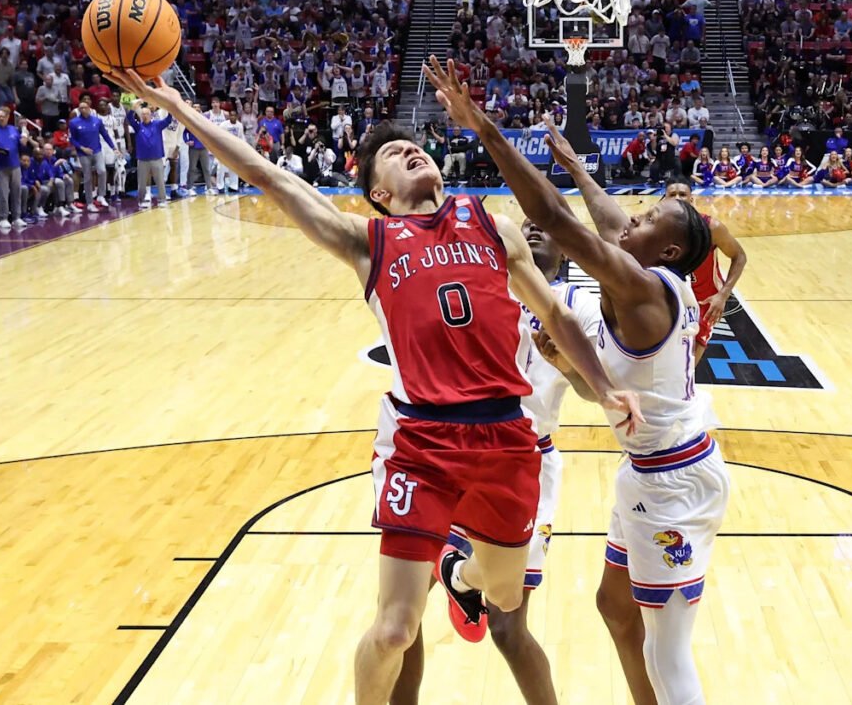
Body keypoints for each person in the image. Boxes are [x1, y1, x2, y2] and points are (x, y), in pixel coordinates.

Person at [104, 67, 640, 705]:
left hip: (506, 439)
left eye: (414, 146)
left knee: (502, 594)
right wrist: (178, 107)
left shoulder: (492, 226)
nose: (411, 150)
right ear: (379, 194)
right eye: (393, 154)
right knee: (394, 630)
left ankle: (460, 574)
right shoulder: (369, 241)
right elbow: (267, 176)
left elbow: (555, 314)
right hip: (423, 443)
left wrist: (604, 386)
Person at [425, 55, 729, 705]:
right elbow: (605, 218)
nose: (630, 221)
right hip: (650, 471)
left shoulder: (641, 290)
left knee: (669, 651)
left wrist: (485, 130)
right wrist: (577, 166)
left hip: (674, 481)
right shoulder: (653, 274)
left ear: (667, 251)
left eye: (646, 221)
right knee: (615, 608)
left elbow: (559, 221)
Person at [393, 219, 603, 705]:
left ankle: (463, 578)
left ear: (566, 251)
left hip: (526, 464)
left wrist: (567, 364)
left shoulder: (577, 305)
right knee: (403, 615)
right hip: (453, 449)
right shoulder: (479, 284)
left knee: (507, 629)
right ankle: (458, 579)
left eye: (545, 227)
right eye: (526, 224)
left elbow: (595, 392)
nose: (533, 229)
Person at [664, 182, 748, 363]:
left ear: (691, 199)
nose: (678, 198)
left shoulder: (711, 227)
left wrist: (722, 295)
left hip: (704, 301)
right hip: (669, 295)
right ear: (664, 200)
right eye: (672, 194)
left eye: (682, 194)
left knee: (688, 366)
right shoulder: (657, 228)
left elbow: (739, 256)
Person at [69, 99, 119, 212]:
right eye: (81, 108)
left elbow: (105, 135)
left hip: (97, 150)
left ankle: (101, 195)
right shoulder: (74, 122)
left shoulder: (97, 121)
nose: (83, 110)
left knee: (102, 171)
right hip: (83, 153)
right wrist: (82, 148)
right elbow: (72, 139)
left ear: (89, 109)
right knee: (87, 177)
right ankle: (90, 203)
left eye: (85, 108)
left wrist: (113, 147)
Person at [126, 100, 173, 208]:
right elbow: (129, 118)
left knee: (160, 181)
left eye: (147, 114)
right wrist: (133, 109)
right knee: (142, 182)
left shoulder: (157, 124)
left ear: (151, 115)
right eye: (143, 114)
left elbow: (168, 120)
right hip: (142, 159)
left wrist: (169, 108)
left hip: (156, 158)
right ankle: (141, 200)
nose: (145, 116)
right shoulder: (138, 126)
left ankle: (162, 200)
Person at [0, 106, 25, 231]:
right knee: (3, 193)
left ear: (8, 117)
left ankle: (16, 217)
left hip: (15, 165)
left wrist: (24, 140)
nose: (1, 119)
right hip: (0, 167)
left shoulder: (14, 130)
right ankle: (3, 218)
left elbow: (21, 146)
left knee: (16, 192)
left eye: (3, 116)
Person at [184, 104, 215, 193]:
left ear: (200, 109)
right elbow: (184, 132)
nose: (196, 108)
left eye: (198, 107)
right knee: (192, 168)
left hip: (203, 147)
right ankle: (189, 187)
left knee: (206, 168)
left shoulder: (204, 119)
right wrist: (187, 141)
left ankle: (209, 188)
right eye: (194, 107)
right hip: (193, 148)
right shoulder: (189, 120)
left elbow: (209, 131)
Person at [217, 110, 246, 193]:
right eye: (231, 115)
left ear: (237, 116)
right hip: (224, 149)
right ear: (229, 116)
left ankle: (233, 186)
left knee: (234, 168)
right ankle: (220, 186)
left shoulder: (240, 125)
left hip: (235, 149)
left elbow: (241, 137)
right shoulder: (223, 125)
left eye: (234, 115)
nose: (232, 117)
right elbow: (219, 136)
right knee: (221, 168)